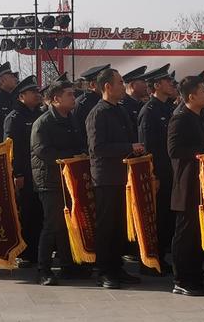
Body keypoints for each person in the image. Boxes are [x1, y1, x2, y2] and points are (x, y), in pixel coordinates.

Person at [86, 68, 144, 289]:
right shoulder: (98, 113)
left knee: (120, 225)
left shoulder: (120, 110)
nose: (123, 86)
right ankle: (104, 271)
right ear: (107, 87)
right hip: (105, 178)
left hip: (122, 176)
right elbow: (98, 148)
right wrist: (128, 147)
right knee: (106, 226)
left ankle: (117, 268)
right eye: (119, 82)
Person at [30, 81, 89, 285]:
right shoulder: (43, 122)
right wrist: (71, 156)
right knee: (52, 225)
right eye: (69, 95)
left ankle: (68, 265)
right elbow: (42, 151)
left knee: (67, 224)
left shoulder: (71, 118)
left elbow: (80, 143)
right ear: (56, 99)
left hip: (68, 178)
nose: (74, 98)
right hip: (49, 180)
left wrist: (82, 154)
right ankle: (43, 269)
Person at [168, 74, 204, 297]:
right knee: (185, 234)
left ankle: (197, 274)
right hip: (187, 184)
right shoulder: (180, 118)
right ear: (191, 96)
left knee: (200, 233)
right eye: (203, 91)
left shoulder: (201, 117)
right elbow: (173, 150)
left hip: (202, 183)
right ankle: (181, 279)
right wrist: (201, 150)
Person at [137, 65, 177, 274]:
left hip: (169, 172)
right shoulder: (149, 111)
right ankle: (150, 260)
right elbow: (147, 147)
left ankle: (160, 256)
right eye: (167, 81)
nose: (171, 84)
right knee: (156, 218)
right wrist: (152, 174)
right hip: (157, 173)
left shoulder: (167, 108)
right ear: (157, 85)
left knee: (166, 218)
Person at [3, 76, 43, 267]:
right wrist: (17, 174)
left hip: (39, 172)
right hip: (24, 173)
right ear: (21, 96)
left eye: (37, 91)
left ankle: (36, 251)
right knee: (25, 213)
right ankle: (24, 253)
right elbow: (12, 149)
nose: (37, 94)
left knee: (38, 212)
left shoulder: (39, 114)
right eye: (32, 92)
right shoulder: (14, 118)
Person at [72, 64, 109, 147]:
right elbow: (78, 132)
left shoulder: (108, 100)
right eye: (104, 81)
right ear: (93, 85)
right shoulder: (82, 104)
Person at [120, 65, 149, 138]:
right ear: (132, 85)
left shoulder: (144, 105)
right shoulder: (122, 106)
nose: (146, 86)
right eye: (143, 82)